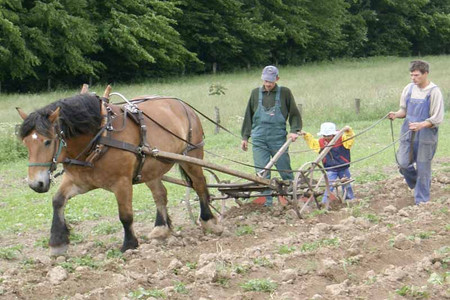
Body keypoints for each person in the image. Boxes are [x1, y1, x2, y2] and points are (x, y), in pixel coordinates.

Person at [241, 65, 302, 207]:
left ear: (277, 79)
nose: (268, 84)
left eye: (271, 81)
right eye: (265, 80)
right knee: (261, 171)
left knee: (284, 168)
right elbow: (248, 116)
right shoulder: (255, 93)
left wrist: (294, 130)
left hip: (278, 138)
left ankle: (291, 197)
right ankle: (267, 203)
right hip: (259, 138)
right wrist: (245, 137)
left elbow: (294, 113)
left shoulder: (285, 93)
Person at [388, 60, 444, 205]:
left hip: (426, 133)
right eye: (412, 75)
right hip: (408, 131)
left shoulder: (434, 92)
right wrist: (396, 114)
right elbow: (404, 111)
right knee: (402, 163)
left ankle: (422, 201)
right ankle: (418, 184)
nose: (413, 78)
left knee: (423, 166)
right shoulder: (409, 88)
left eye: (417, 75)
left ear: (426, 74)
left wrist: (422, 125)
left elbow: (437, 118)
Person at [301, 122, 355, 204]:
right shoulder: (321, 142)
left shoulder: (342, 139)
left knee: (346, 184)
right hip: (331, 168)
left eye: (328, 135)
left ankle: (350, 199)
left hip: (343, 166)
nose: (326, 137)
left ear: (333, 134)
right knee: (329, 185)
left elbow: (350, 139)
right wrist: (306, 135)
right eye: (325, 136)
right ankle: (325, 202)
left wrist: (348, 131)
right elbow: (312, 142)